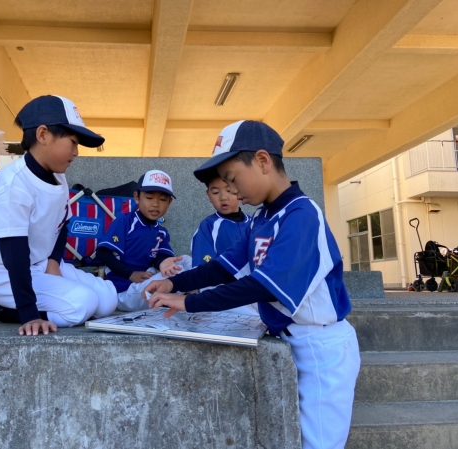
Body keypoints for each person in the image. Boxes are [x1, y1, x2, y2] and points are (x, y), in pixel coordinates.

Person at [144, 120, 361, 449]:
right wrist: (173, 283)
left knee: (318, 444)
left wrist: (189, 302)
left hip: (322, 346)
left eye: (232, 179)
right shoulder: (261, 218)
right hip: (290, 338)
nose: (232, 191)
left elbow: (264, 286)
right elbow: (223, 267)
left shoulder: (301, 214)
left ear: (262, 161)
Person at [0, 95, 118, 336]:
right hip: (6, 275)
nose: (76, 152)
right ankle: (4, 310)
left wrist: (53, 262)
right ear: (42, 135)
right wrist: (29, 314)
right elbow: (14, 254)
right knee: (83, 304)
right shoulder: (14, 184)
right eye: (72, 142)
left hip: (42, 264)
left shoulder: (58, 175)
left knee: (108, 300)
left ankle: (47, 300)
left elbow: (62, 223)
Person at [96, 170, 192, 312]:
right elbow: (103, 253)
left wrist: (163, 264)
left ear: (169, 202)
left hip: (147, 281)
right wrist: (130, 274)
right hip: (124, 290)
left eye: (162, 199)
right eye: (149, 197)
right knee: (179, 274)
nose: (155, 204)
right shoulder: (125, 220)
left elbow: (160, 257)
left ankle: (204, 294)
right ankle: (186, 296)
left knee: (186, 261)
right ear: (137, 197)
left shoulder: (161, 231)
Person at [191, 175, 256, 315]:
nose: (223, 197)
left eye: (229, 190)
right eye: (215, 192)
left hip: (253, 287)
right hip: (224, 288)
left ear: (239, 190)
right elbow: (204, 272)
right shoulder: (208, 225)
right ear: (208, 195)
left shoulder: (254, 223)